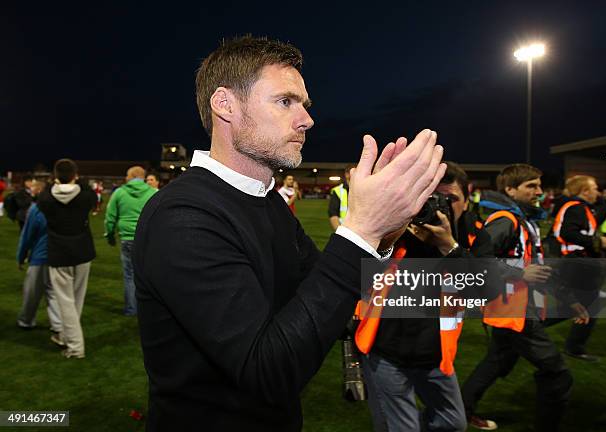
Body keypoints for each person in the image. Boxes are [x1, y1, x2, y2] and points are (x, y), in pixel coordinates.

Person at [132, 36, 446, 431]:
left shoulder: (267, 201)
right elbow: (269, 371)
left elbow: (330, 307)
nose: (307, 119)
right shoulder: (182, 216)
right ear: (225, 105)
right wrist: (360, 230)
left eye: (304, 105)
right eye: (285, 101)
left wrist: (381, 236)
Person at [358, 162, 494, 432]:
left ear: (467, 199)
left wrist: (449, 247)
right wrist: (394, 232)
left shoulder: (474, 233)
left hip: (435, 354)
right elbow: (359, 272)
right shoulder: (397, 226)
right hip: (384, 349)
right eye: (430, 197)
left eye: (450, 199)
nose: (439, 206)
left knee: (454, 423)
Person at [461, 164, 587, 431]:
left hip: (515, 309)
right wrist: (519, 273)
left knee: (496, 362)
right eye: (531, 186)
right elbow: (476, 262)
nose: (539, 192)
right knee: (557, 374)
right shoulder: (506, 220)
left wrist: (570, 301)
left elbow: (537, 269)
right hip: (512, 311)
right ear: (509, 189)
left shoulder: (523, 219)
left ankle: (462, 410)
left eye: (539, 186)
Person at [37, 159, 97, 359]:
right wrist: (77, 180)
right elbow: (89, 192)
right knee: (75, 301)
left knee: (66, 302)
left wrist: (55, 181)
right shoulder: (85, 195)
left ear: (55, 176)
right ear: (75, 175)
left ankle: (75, 346)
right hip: (82, 251)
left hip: (59, 252)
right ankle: (66, 337)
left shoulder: (46, 198)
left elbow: (44, 194)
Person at [552, 175, 606, 361]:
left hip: (579, 263)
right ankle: (573, 347)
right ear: (584, 192)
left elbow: (604, 206)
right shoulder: (575, 208)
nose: (598, 192)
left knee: (580, 304)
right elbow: (567, 233)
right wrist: (597, 241)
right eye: (594, 188)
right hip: (575, 263)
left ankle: (529, 327)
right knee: (584, 305)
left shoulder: (582, 207)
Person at [104, 166, 157, 316]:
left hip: (127, 238)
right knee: (149, 275)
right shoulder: (153, 193)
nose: (125, 178)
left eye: (127, 175)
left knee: (129, 274)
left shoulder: (119, 193)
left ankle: (131, 309)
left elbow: (110, 217)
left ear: (132, 176)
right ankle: (149, 308)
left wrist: (109, 236)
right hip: (147, 239)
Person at [16, 179, 62, 335]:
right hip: (59, 256)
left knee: (32, 292)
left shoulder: (36, 209)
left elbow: (27, 236)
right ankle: (58, 324)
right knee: (54, 292)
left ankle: (26, 320)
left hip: (40, 256)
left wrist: (21, 256)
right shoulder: (61, 207)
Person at [328, 165, 355, 230]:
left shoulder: (364, 189)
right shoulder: (337, 191)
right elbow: (333, 214)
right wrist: (340, 233)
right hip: (344, 229)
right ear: (347, 174)